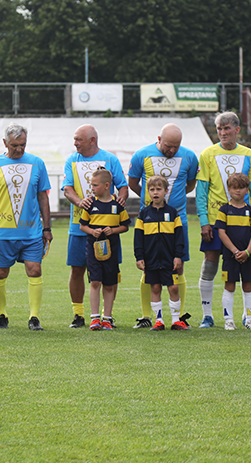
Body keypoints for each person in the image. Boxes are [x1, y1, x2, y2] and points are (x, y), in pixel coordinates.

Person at [0, 123, 53, 331]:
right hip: (2, 232)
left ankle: (34, 318)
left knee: (35, 270)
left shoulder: (37, 163)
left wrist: (47, 227)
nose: (19, 149)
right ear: (5, 143)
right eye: (14, 145)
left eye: (23, 145)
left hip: (32, 232)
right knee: (0, 273)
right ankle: (2, 315)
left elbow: (43, 197)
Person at [128, 124, 198, 328]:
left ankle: (178, 318)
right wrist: (151, 201)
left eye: (176, 146)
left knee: (178, 266)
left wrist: (171, 202)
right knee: (149, 269)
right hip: (150, 221)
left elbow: (191, 184)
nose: (172, 150)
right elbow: (133, 183)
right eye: (168, 146)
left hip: (178, 219)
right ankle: (147, 316)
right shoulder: (141, 154)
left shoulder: (190, 157)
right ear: (159, 139)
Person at [196, 112, 251, 329]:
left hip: (242, 223)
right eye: (219, 129)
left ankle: (247, 316)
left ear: (237, 130)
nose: (223, 133)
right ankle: (207, 316)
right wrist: (205, 222)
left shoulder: (249, 154)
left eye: (226, 128)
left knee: (244, 268)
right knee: (210, 267)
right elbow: (202, 192)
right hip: (216, 223)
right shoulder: (207, 154)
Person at [62, 124, 128, 328]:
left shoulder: (110, 159)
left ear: (92, 140)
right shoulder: (71, 160)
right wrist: (80, 202)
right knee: (77, 269)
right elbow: (67, 189)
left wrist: (118, 206)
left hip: (107, 231)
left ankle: (107, 317)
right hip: (79, 227)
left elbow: (123, 187)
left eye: (78, 140)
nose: (75, 143)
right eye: (74, 139)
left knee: (110, 272)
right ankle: (79, 314)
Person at [134, 175, 188, 331]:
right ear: (148, 192)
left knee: (173, 288)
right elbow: (138, 239)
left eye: (159, 189)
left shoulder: (172, 213)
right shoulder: (144, 214)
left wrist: (178, 256)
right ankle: (159, 321)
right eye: (152, 189)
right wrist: (139, 257)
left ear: (166, 191)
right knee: (155, 288)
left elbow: (179, 237)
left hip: (169, 259)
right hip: (151, 259)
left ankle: (176, 320)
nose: (155, 192)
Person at [79, 169, 130, 330]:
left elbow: (125, 226)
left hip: (112, 249)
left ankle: (107, 317)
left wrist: (113, 230)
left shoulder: (118, 205)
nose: (92, 188)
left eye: (95, 185)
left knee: (109, 283)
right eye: (91, 185)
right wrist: (92, 231)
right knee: (95, 281)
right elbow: (82, 226)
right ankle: (94, 318)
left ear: (107, 185)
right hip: (93, 249)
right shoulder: (90, 204)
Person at [213, 173, 251, 330]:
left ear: (247, 189)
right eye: (234, 188)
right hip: (230, 256)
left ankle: (249, 320)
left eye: (241, 188)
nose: (238, 191)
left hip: (248, 256)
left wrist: (248, 251)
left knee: (248, 286)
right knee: (229, 286)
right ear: (228, 189)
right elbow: (221, 232)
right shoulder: (224, 210)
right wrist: (235, 251)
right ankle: (229, 320)